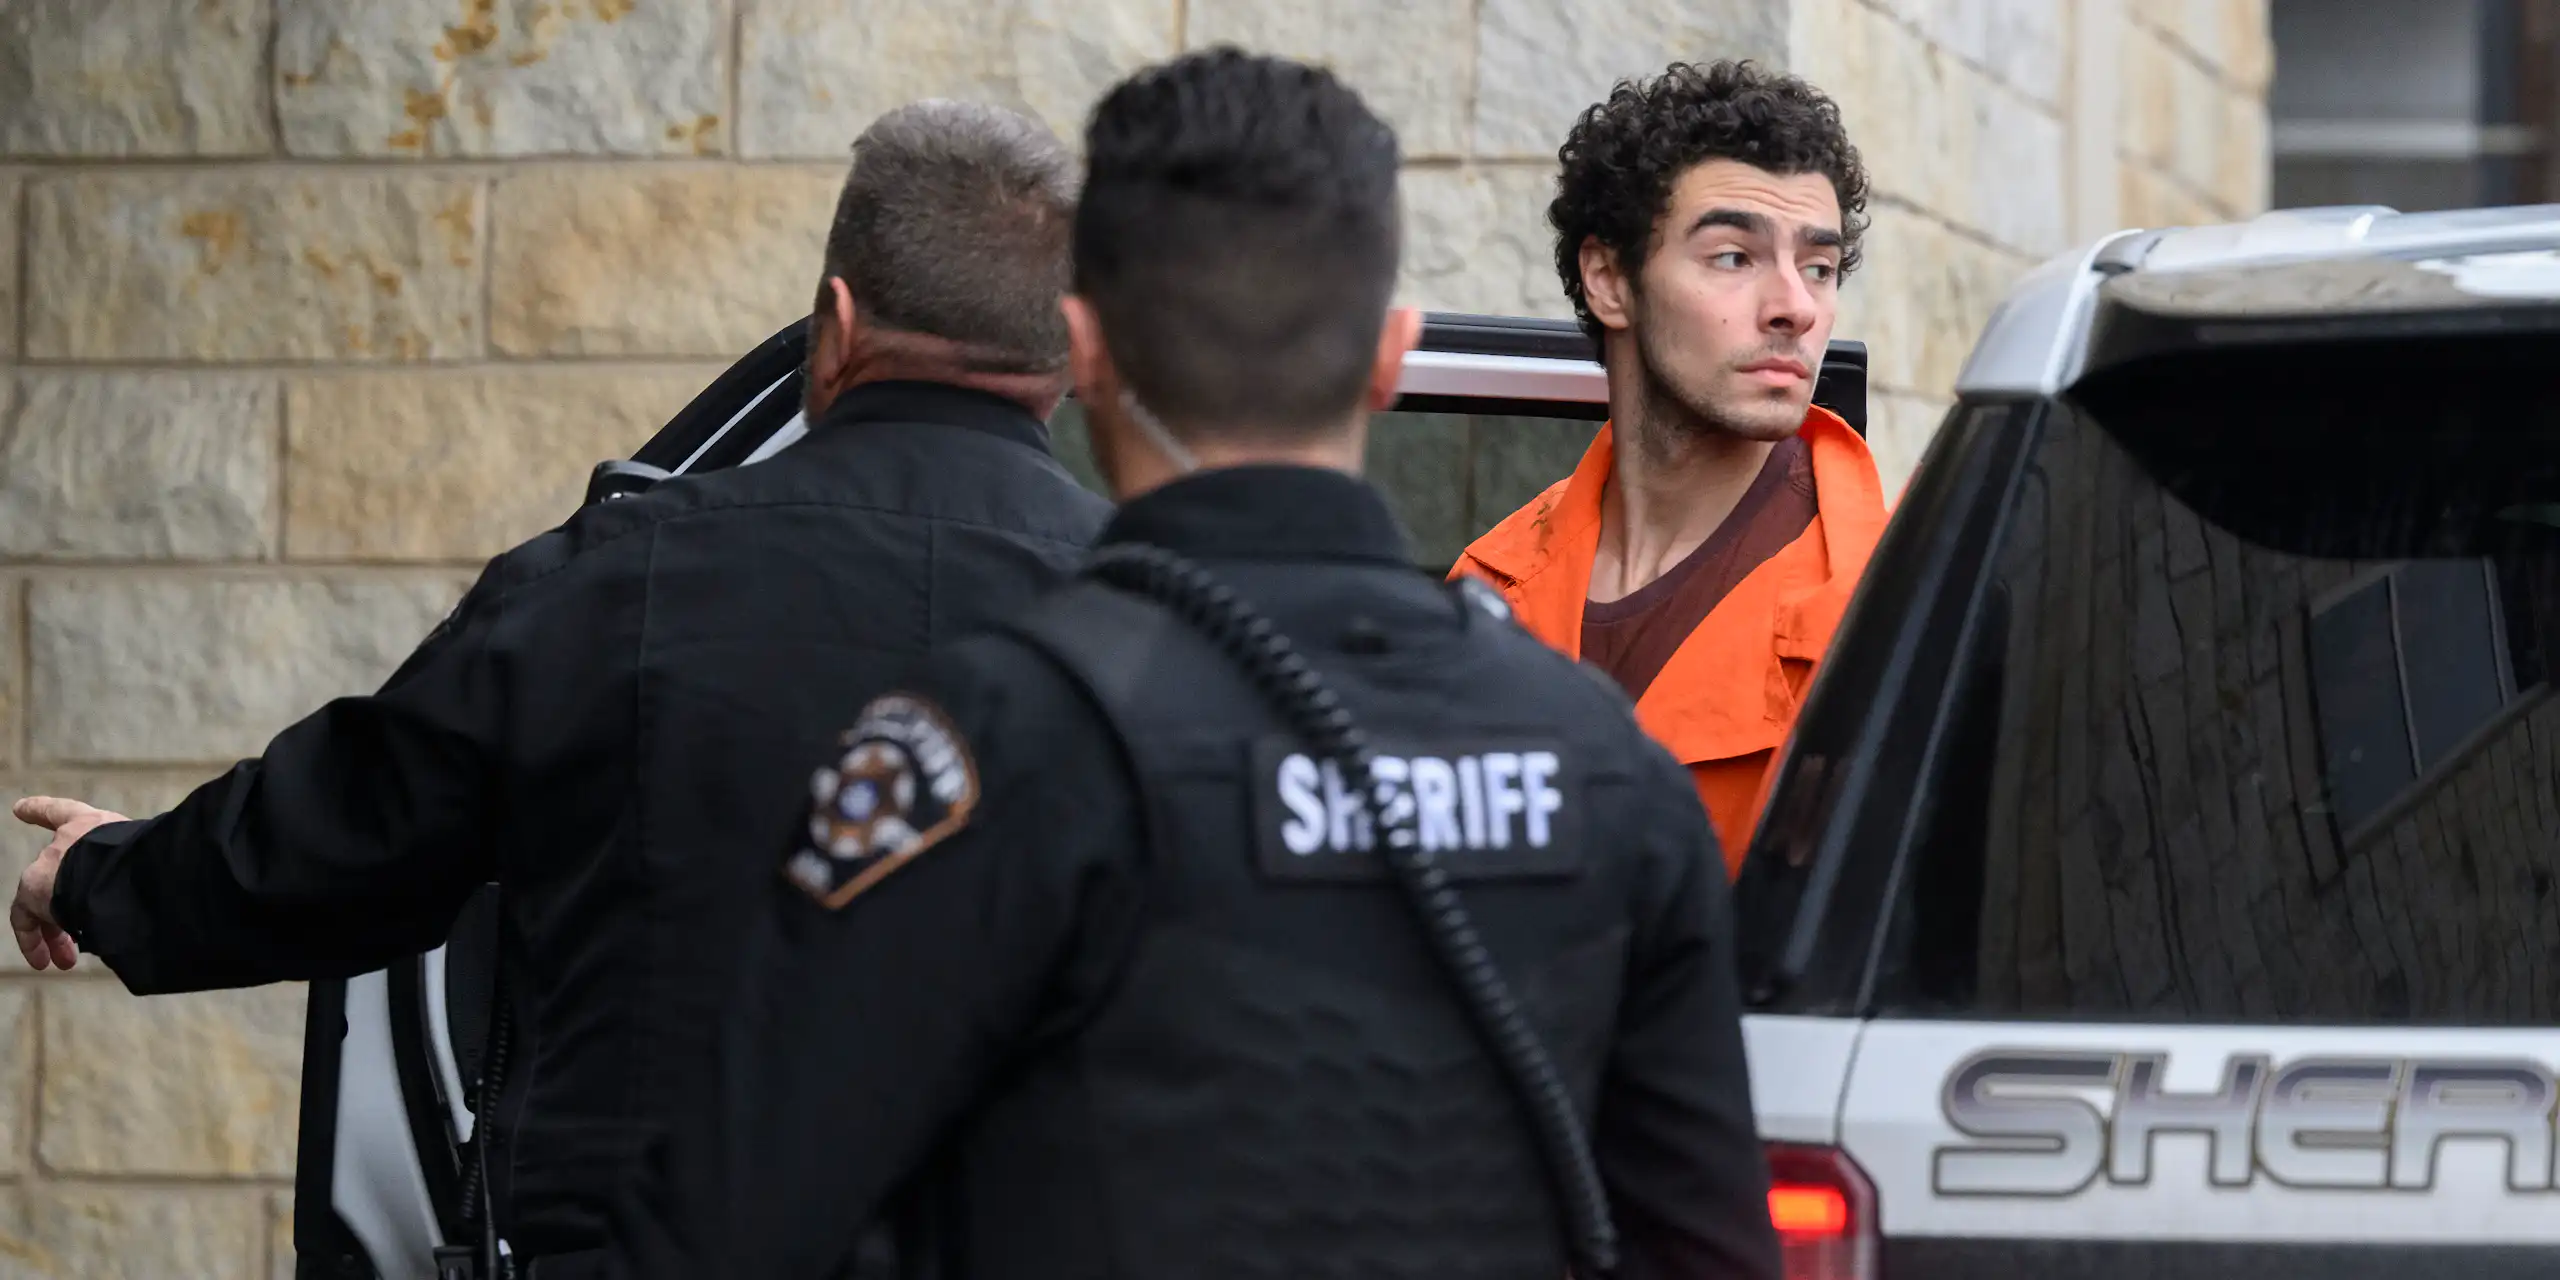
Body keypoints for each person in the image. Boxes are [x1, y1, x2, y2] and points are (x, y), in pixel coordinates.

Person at [611, 48, 1782, 1280]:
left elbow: (715, 1231)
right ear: (1389, 356)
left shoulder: (988, 747)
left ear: (1084, 350)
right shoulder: (1604, 761)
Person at [9, 101, 1110, 1277]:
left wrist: (103, 871)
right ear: (1069, 355)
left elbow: (344, 834)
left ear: (834, 326)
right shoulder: (1156, 613)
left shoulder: (615, 580)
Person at [1450, 60, 1890, 877]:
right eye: (1734, 257)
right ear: (1610, 280)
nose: (1795, 304)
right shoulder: (1487, 589)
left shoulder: (1893, 609)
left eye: (1820, 267)